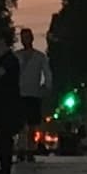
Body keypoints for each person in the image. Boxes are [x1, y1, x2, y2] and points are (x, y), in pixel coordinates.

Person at [0, 30, 27, 174]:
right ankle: (4, 166)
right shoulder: (9, 59)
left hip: (7, 102)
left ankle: (5, 168)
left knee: (3, 135)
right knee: (1, 135)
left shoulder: (9, 59)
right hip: (3, 101)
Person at [13, 25, 55, 161]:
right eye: (23, 38)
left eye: (27, 37)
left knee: (32, 124)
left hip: (33, 93)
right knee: (20, 125)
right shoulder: (16, 56)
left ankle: (30, 150)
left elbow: (47, 72)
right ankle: (21, 148)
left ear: (31, 38)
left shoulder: (39, 57)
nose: (25, 40)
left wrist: (46, 86)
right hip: (19, 93)